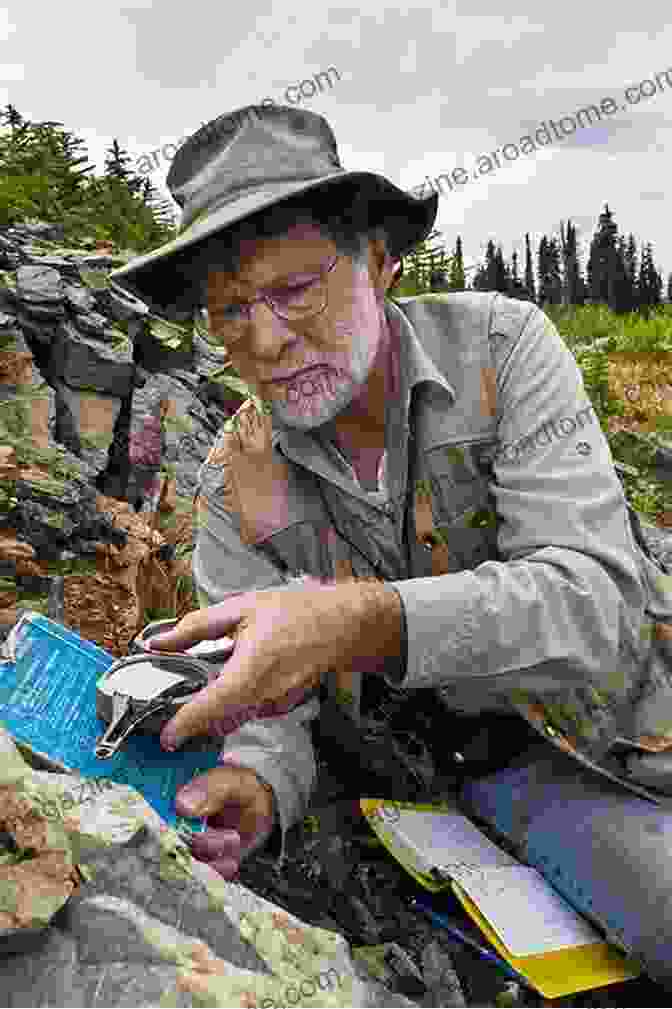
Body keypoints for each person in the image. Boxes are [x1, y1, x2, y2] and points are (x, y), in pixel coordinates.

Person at [111, 104, 672, 983]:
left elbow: (594, 599)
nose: (263, 341)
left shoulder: (504, 350)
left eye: (296, 290)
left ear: (380, 259)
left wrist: (352, 621)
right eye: (228, 312)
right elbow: (268, 696)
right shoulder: (233, 482)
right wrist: (258, 786)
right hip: (504, 778)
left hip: (640, 708)